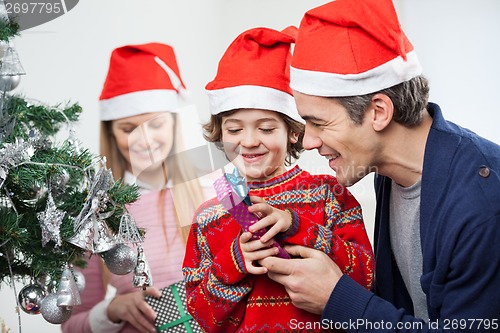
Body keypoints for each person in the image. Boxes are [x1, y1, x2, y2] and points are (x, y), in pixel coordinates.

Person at [259, 0, 500, 332]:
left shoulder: (482, 204)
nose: (307, 141)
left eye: (319, 123)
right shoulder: (388, 171)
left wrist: (337, 299)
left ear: (378, 112)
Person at [182, 26, 374, 333]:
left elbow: (365, 278)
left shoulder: (329, 194)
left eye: (266, 128)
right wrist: (234, 262)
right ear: (220, 134)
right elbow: (204, 319)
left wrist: (297, 226)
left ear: (294, 132)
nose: (248, 141)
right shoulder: (208, 218)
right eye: (234, 129)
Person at [61, 43, 207, 333]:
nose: (143, 140)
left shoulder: (216, 187)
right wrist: (111, 311)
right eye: (128, 129)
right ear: (112, 134)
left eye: (155, 125)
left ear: (175, 124)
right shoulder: (94, 214)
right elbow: (69, 324)